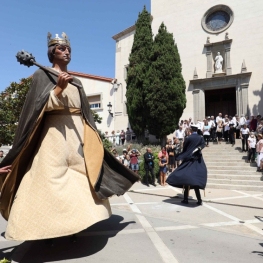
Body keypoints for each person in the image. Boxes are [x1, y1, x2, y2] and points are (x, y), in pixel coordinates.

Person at [0, 32, 139, 241]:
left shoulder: (77, 82)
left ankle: (75, 225)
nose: (67, 52)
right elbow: (37, 108)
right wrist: (58, 89)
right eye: (61, 49)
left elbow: (85, 113)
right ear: (52, 53)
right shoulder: (42, 76)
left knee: (82, 179)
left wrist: (92, 137)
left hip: (76, 136)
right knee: (48, 180)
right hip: (53, 136)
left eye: (68, 49)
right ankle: (39, 228)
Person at [166, 125, 207, 205]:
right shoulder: (200, 137)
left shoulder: (189, 138)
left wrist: (181, 155)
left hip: (188, 160)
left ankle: (185, 199)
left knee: (186, 181)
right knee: (195, 182)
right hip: (197, 161)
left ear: (191, 130)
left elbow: (185, 149)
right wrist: (198, 149)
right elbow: (203, 145)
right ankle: (199, 200)